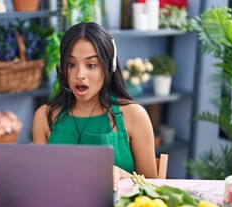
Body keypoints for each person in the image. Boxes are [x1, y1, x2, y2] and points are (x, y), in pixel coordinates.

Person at [32, 22, 157, 190]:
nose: (79, 75)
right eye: (71, 64)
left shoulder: (135, 116)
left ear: (109, 66)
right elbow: (39, 183)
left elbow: (152, 189)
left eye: (91, 65)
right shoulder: (45, 116)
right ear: (62, 68)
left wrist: (123, 175)